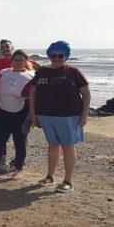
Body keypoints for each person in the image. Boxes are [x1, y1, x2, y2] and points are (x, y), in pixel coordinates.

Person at [28, 41, 90, 193]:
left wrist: (84, 115)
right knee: (52, 145)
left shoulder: (73, 71)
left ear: (66, 56)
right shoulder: (42, 71)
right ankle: (50, 176)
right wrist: (33, 114)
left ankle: (68, 181)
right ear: (49, 56)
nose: (56, 58)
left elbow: (86, 93)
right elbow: (33, 93)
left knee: (67, 146)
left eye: (60, 55)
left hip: (68, 116)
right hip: (45, 116)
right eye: (53, 55)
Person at [0, 50, 35, 180]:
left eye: (21, 60)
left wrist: (30, 117)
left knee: (20, 142)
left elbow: (34, 98)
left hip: (21, 112)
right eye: (15, 59)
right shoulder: (3, 73)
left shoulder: (30, 77)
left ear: (25, 61)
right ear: (12, 61)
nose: (17, 62)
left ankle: (18, 169)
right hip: (2, 111)